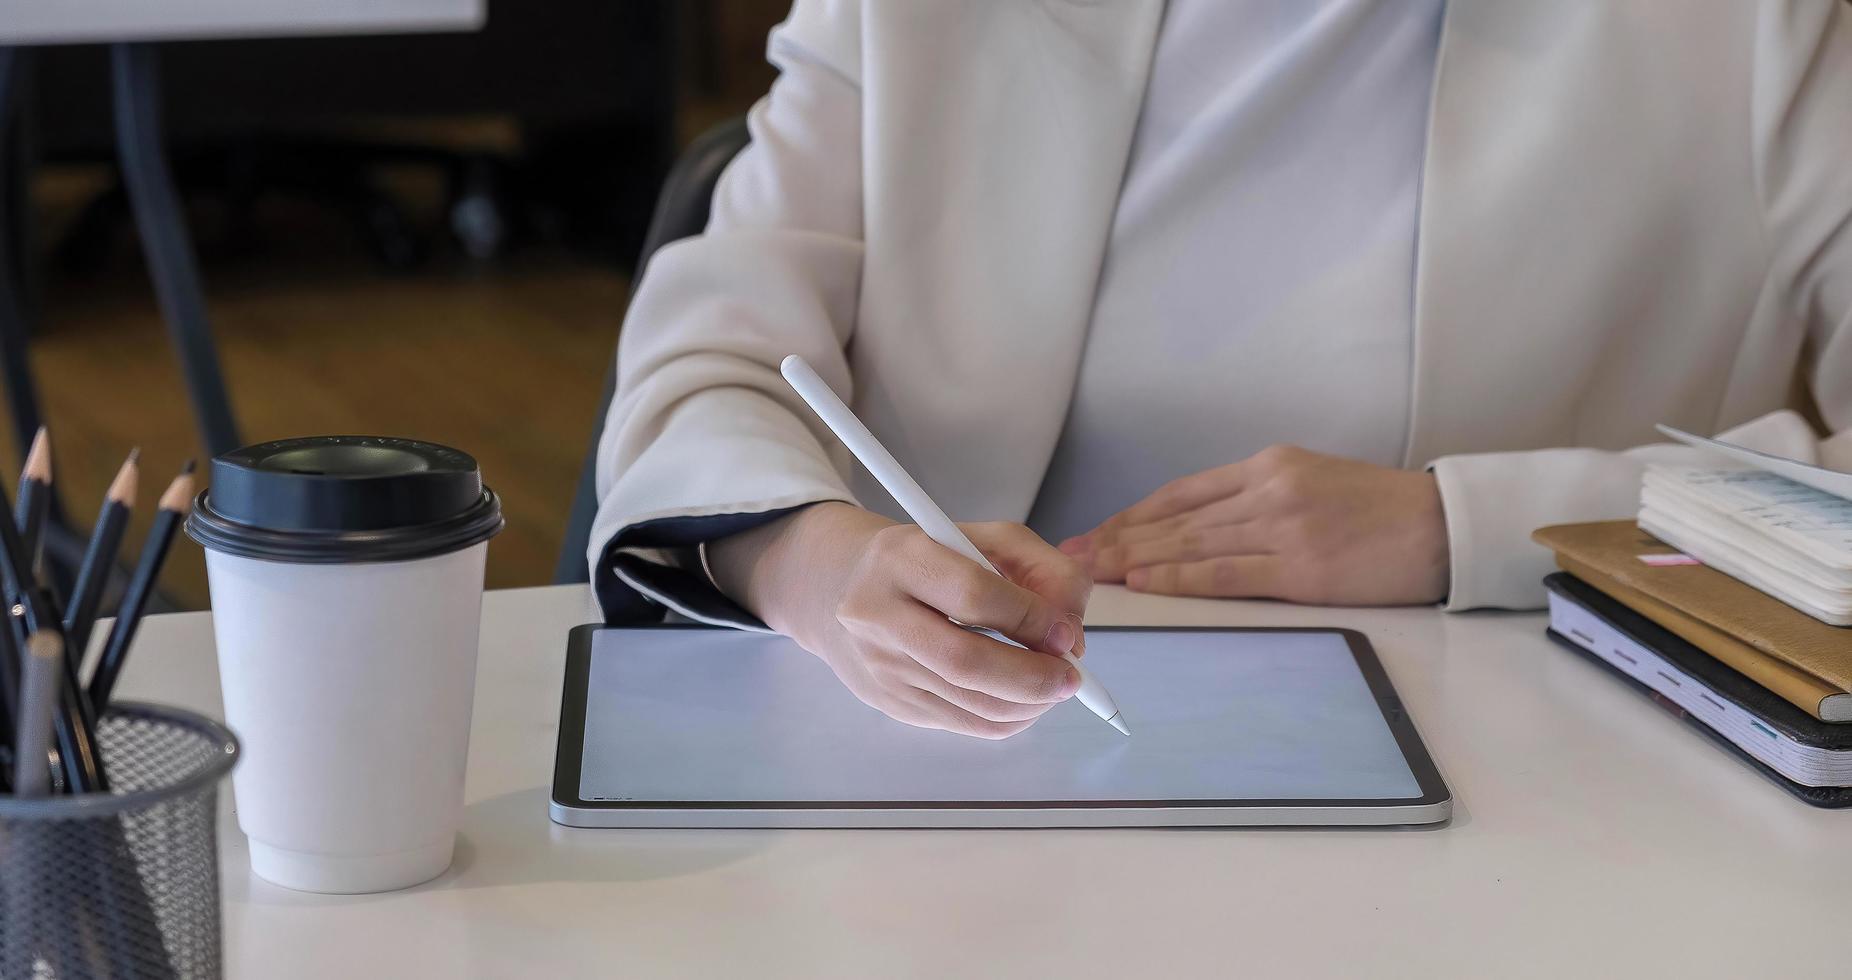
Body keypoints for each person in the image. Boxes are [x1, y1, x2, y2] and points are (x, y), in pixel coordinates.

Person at [588, 0, 1852, 738]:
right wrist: (815, 561)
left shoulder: (1758, 33)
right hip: (947, 773)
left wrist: (1461, 526)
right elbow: (706, 364)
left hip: (1542, 791)